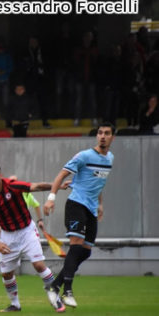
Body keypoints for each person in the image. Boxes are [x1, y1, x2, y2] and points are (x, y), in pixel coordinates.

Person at [44, 123, 116, 309]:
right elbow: (61, 175)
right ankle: (67, 290)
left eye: (106, 133)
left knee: (85, 251)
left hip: (91, 209)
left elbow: (98, 182)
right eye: (100, 132)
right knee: (76, 244)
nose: (102, 136)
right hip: (76, 204)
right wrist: (51, 198)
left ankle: (54, 286)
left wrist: (100, 204)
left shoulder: (110, 158)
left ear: (112, 138)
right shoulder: (84, 156)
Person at [0, 162, 67, 313]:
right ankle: (15, 304)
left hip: (27, 231)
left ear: (0, 175)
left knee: (39, 265)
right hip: (7, 235)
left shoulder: (12, 185)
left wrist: (57, 186)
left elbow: (36, 187)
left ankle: (56, 299)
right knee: (7, 273)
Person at [0, 175, 44, 279]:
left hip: (26, 230)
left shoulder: (26, 194)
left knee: (38, 264)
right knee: (0, 250)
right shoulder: (5, 195)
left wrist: (40, 220)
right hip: (9, 230)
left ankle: (53, 288)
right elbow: (4, 213)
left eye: (15, 182)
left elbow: (36, 205)